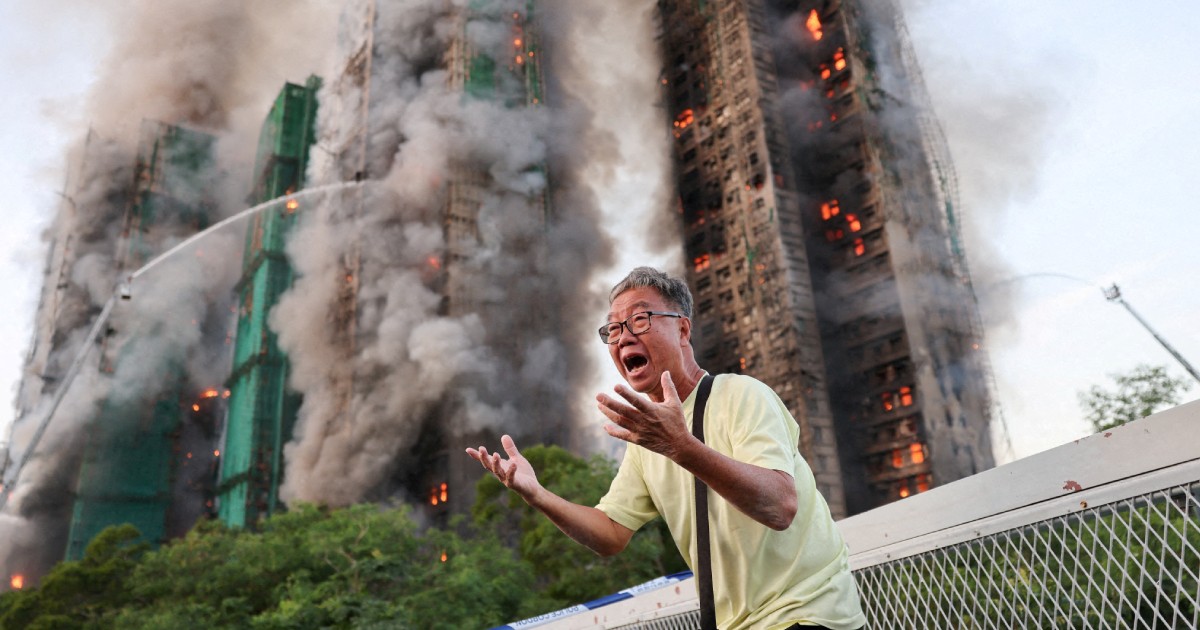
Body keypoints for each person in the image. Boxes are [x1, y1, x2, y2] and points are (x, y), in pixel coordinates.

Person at [467, 267, 865, 629]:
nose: (623, 336)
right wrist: (537, 495)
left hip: (806, 615)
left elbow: (780, 506)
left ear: (683, 330)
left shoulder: (741, 395)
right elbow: (610, 534)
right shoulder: (648, 440)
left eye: (639, 319)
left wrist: (681, 447)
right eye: (613, 329)